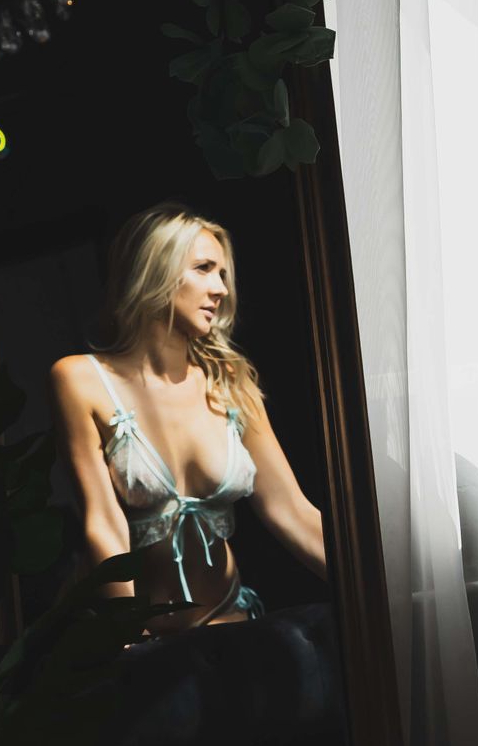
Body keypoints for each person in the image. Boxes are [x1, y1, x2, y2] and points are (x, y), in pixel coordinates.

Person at [49, 202, 328, 634]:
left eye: (223, 274)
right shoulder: (81, 380)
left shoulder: (229, 380)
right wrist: (129, 639)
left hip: (231, 621)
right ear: (154, 271)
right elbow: (103, 524)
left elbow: (291, 511)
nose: (221, 289)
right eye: (204, 269)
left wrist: (380, 585)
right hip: (141, 637)